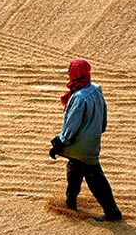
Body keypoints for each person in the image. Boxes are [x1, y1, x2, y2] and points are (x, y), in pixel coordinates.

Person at [49, 58, 122, 222]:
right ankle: (70, 203)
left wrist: (60, 142)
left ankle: (112, 212)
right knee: (74, 168)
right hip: (92, 140)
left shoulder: (79, 97)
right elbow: (103, 112)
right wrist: (100, 130)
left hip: (80, 145)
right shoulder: (96, 89)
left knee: (94, 176)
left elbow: (71, 125)